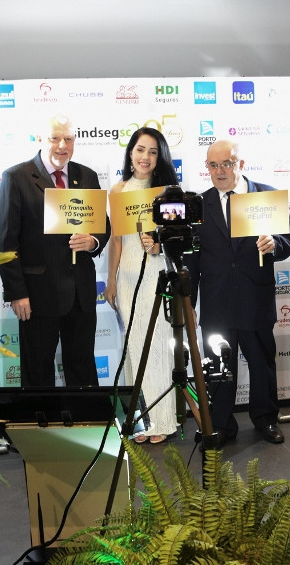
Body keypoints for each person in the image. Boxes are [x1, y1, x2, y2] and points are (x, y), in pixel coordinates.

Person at [187, 140, 290, 447]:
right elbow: (193, 258)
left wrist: (275, 243)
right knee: (218, 367)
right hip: (216, 301)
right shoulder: (200, 204)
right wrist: (189, 302)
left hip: (255, 298)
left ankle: (266, 419)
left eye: (226, 164)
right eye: (213, 165)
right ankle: (222, 425)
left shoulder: (264, 196)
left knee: (262, 364)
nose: (219, 171)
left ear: (241, 164)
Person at [0, 115, 110, 387]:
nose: (62, 145)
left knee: (83, 369)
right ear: (39, 139)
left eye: (68, 139)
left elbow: (103, 226)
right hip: (36, 296)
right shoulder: (16, 177)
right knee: (37, 371)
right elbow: (5, 242)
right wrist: (17, 293)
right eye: (54, 138)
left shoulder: (87, 176)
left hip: (80, 294)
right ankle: (41, 417)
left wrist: (92, 241)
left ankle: (84, 415)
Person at [104, 127, 179, 444]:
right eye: (139, 149)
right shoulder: (118, 190)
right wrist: (111, 280)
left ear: (160, 156)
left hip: (157, 276)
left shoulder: (169, 192)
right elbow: (116, 241)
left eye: (152, 151)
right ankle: (140, 421)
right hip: (128, 278)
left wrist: (160, 245)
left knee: (157, 347)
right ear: (130, 152)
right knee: (134, 350)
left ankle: (162, 420)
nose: (145, 157)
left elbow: (179, 238)